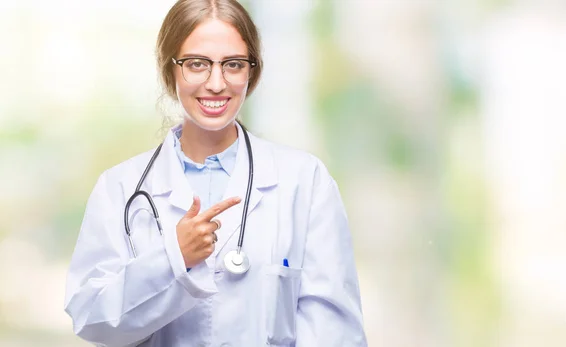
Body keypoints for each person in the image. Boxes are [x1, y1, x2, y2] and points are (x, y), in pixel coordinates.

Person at [64, 0, 367, 346]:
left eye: (233, 65)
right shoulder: (119, 188)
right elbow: (92, 318)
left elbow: (335, 333)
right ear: (170, 68)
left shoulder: (305, 181)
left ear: (252, 71)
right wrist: (173, 259)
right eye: (197, 64)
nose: (216, 83)